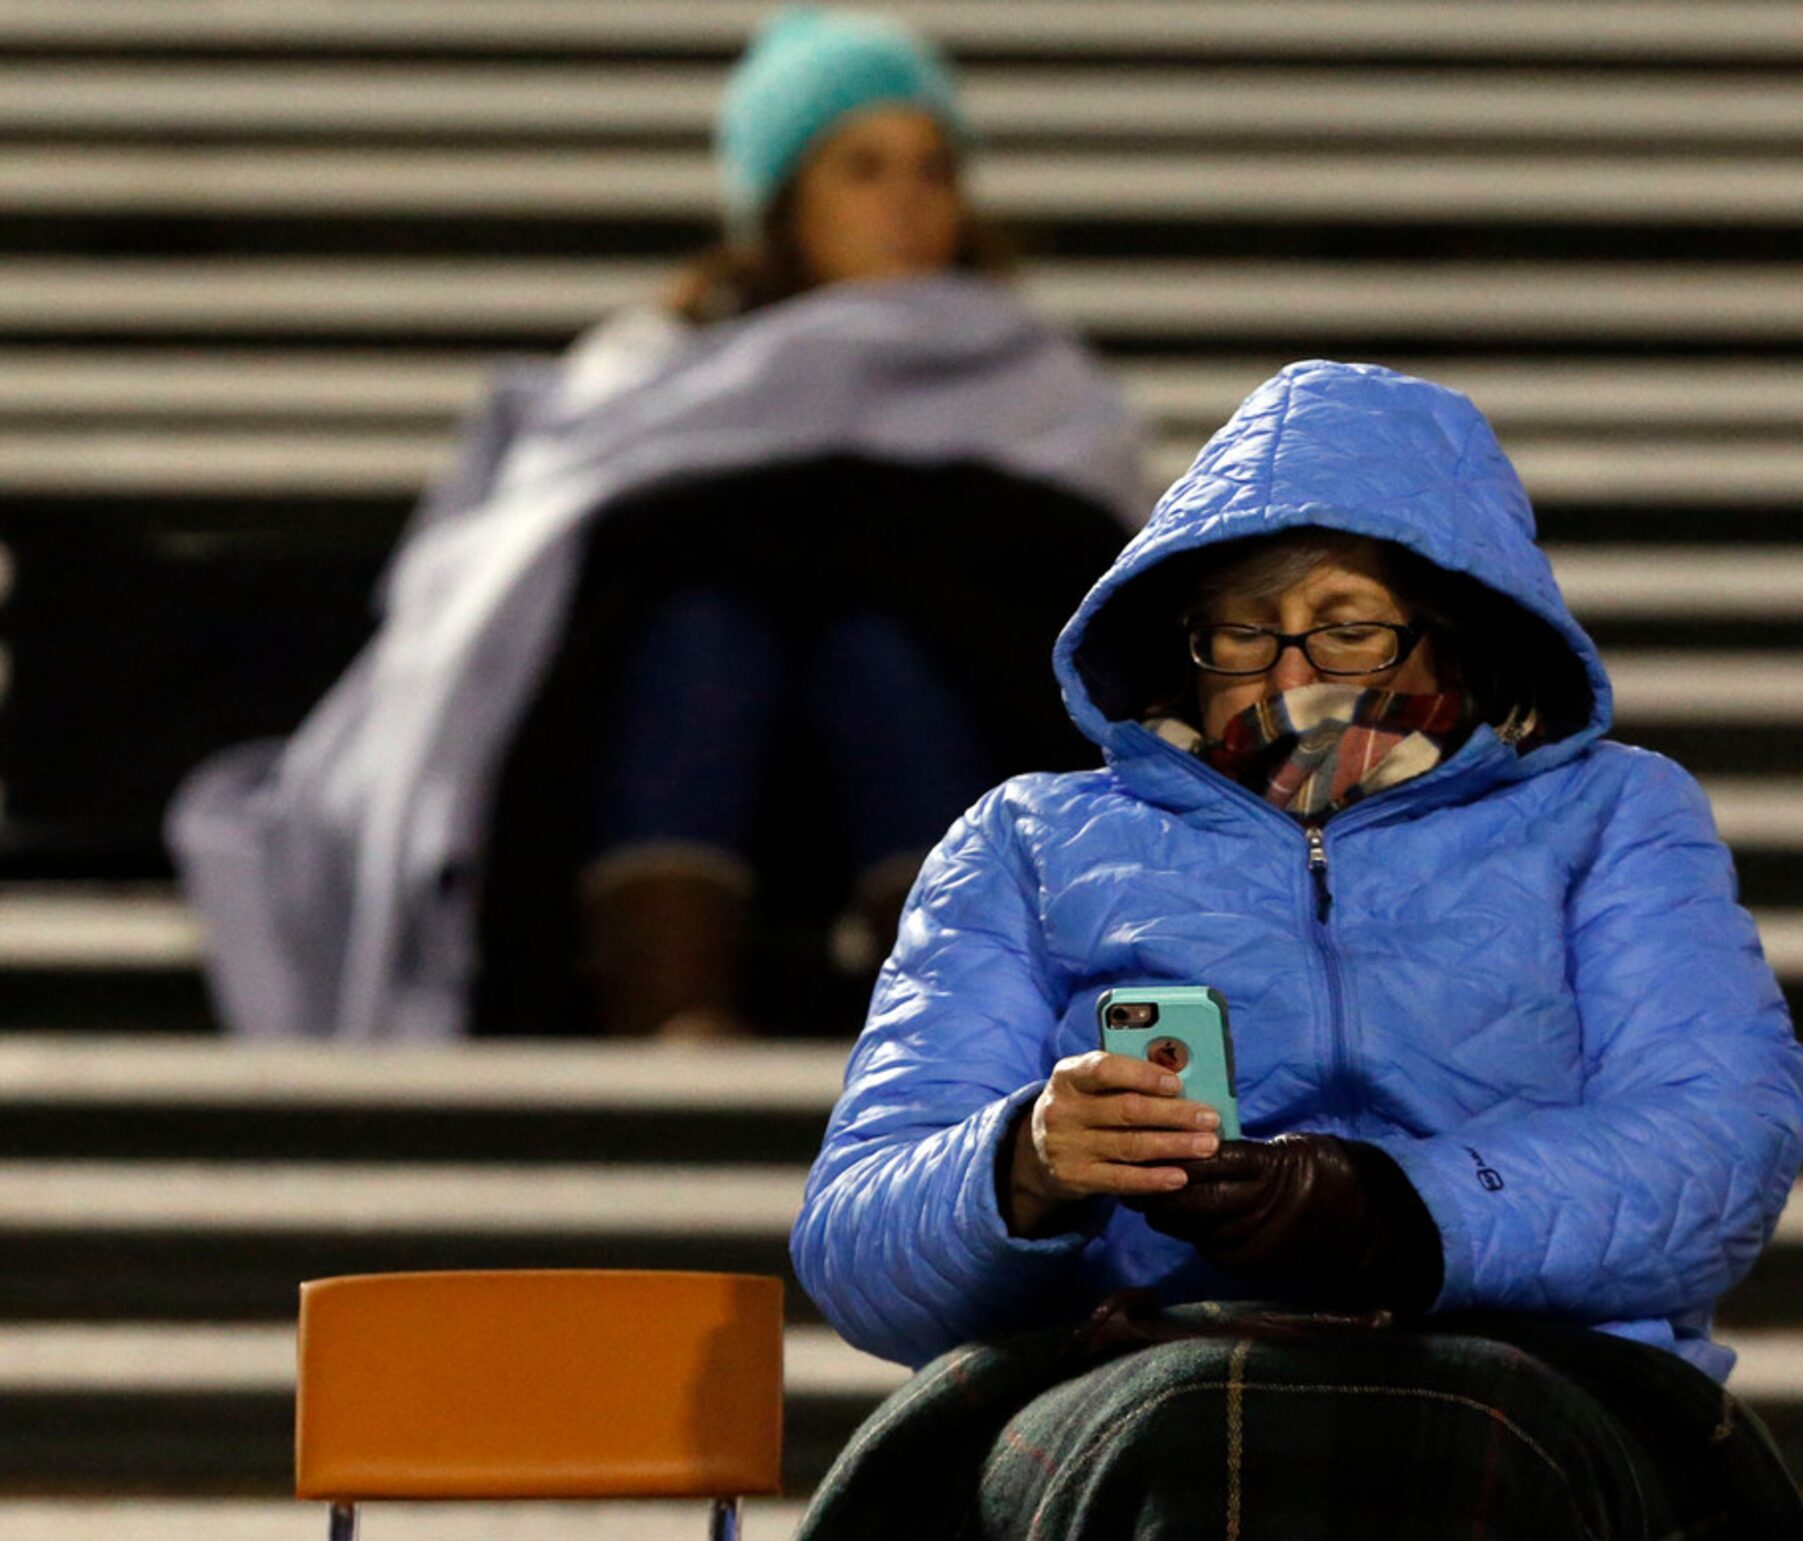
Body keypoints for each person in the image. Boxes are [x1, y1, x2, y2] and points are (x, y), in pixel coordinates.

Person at [745, 362, 1803, 1541]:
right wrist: (1027, 1163)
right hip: (1131, 1374)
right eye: (1245, 623)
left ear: (1453, 622)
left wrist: (1385, 1209)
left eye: (1346, 619)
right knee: (1189, 1428)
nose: (1291, 660)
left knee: (1452, 1433)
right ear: (1177, 635)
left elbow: (1715, 1143)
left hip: (1531, 1375)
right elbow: (863, 1241)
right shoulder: (1030, 840)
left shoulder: (1614, 816)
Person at [169, 7, 1144, 1038]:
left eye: (932, 169)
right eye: (861, 167)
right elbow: (525, 569)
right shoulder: (653, 364)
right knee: (702, 629)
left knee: (879, 648)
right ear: (782, 199)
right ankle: (674, 1015)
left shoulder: (1043, 380)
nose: (905, 201)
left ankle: (955, 1028)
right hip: (668, 737)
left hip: (940, 736)